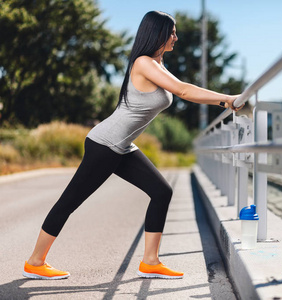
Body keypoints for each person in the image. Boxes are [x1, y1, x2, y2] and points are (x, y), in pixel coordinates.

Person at [23, 10, 243, 280]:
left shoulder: (158, 64)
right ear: (158, 33)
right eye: (172, 31)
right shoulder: (143, 63)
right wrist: (227, 99)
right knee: (70, 201)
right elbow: (183, 91)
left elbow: (184, 87)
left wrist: (225, 100)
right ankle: (35, 261)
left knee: (161, 191)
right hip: (104, 144)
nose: (176, 36)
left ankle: (150, 262)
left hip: (123, 146)